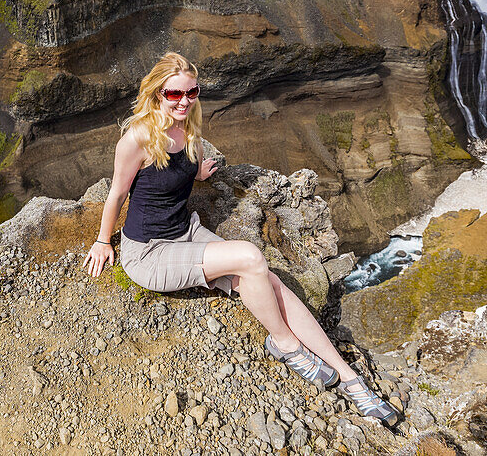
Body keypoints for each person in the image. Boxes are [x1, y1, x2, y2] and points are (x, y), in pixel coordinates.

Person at [82, 52, 398, 427]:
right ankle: (285, 344)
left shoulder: (188, 130)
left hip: (186, 233)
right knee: (251, 258)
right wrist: (104, 240)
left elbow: (175, 171)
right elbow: (117, 193)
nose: (184, 101)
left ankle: (349, 378)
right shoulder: (136, 139)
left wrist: (194, 173)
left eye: (192, 92)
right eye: (174, 94)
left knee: (269, 279)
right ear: (156, 94)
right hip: (149, 254)